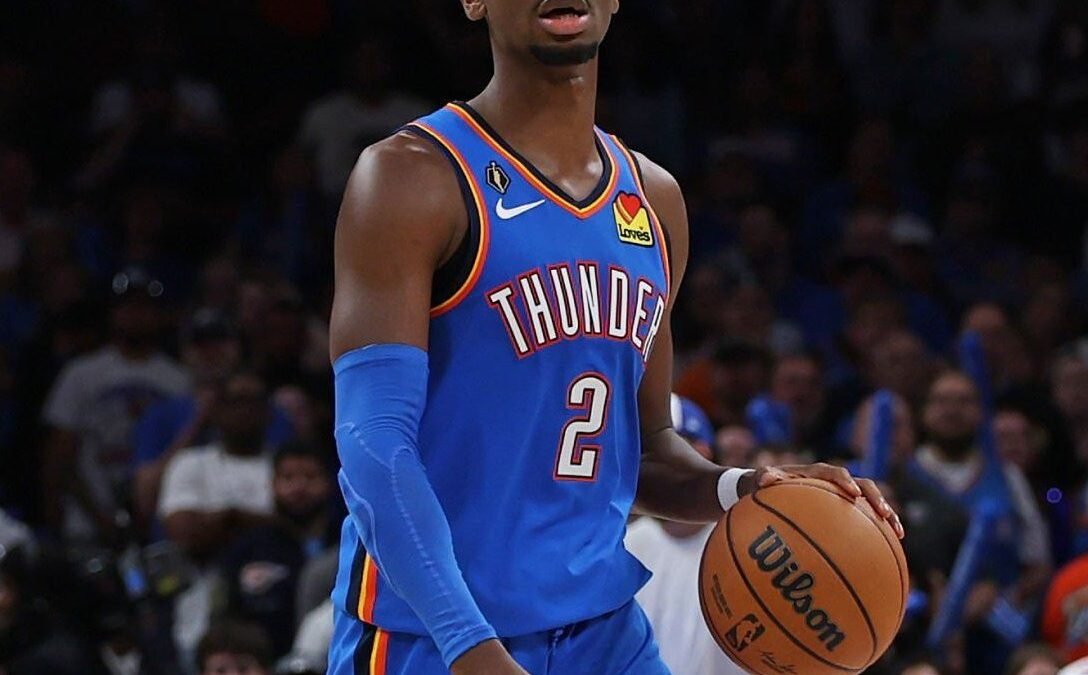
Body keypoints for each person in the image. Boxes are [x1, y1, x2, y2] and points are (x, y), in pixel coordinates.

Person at [326, 3, 902, 674]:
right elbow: (373, 446)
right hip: (431, 636)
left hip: (602, 634)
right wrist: (470, 648)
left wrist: (750, 488)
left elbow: (646, 448)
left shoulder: (654, 199)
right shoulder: (411, 177)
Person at [41, 266, 190, 543]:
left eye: (144, 306)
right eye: (127, 306)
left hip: (158, 529)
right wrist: (95, 519)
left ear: (158, 314)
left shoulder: (178, 380)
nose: (135, 314)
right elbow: (60, 457)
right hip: (87, 526)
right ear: (112, 313)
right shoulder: (81, 373)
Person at [624, 395, 746, 675]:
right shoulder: (628, 541)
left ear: (702, 454)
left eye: (656, 451)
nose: (643, 463)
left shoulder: (742, 548)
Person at [217, 442, 336, 657]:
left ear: (328, 482)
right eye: (288, 478)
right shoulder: (249, 548)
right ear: (272, 484)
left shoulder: (349, 544)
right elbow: (227, 618)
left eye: (310, 477)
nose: (299, 487)